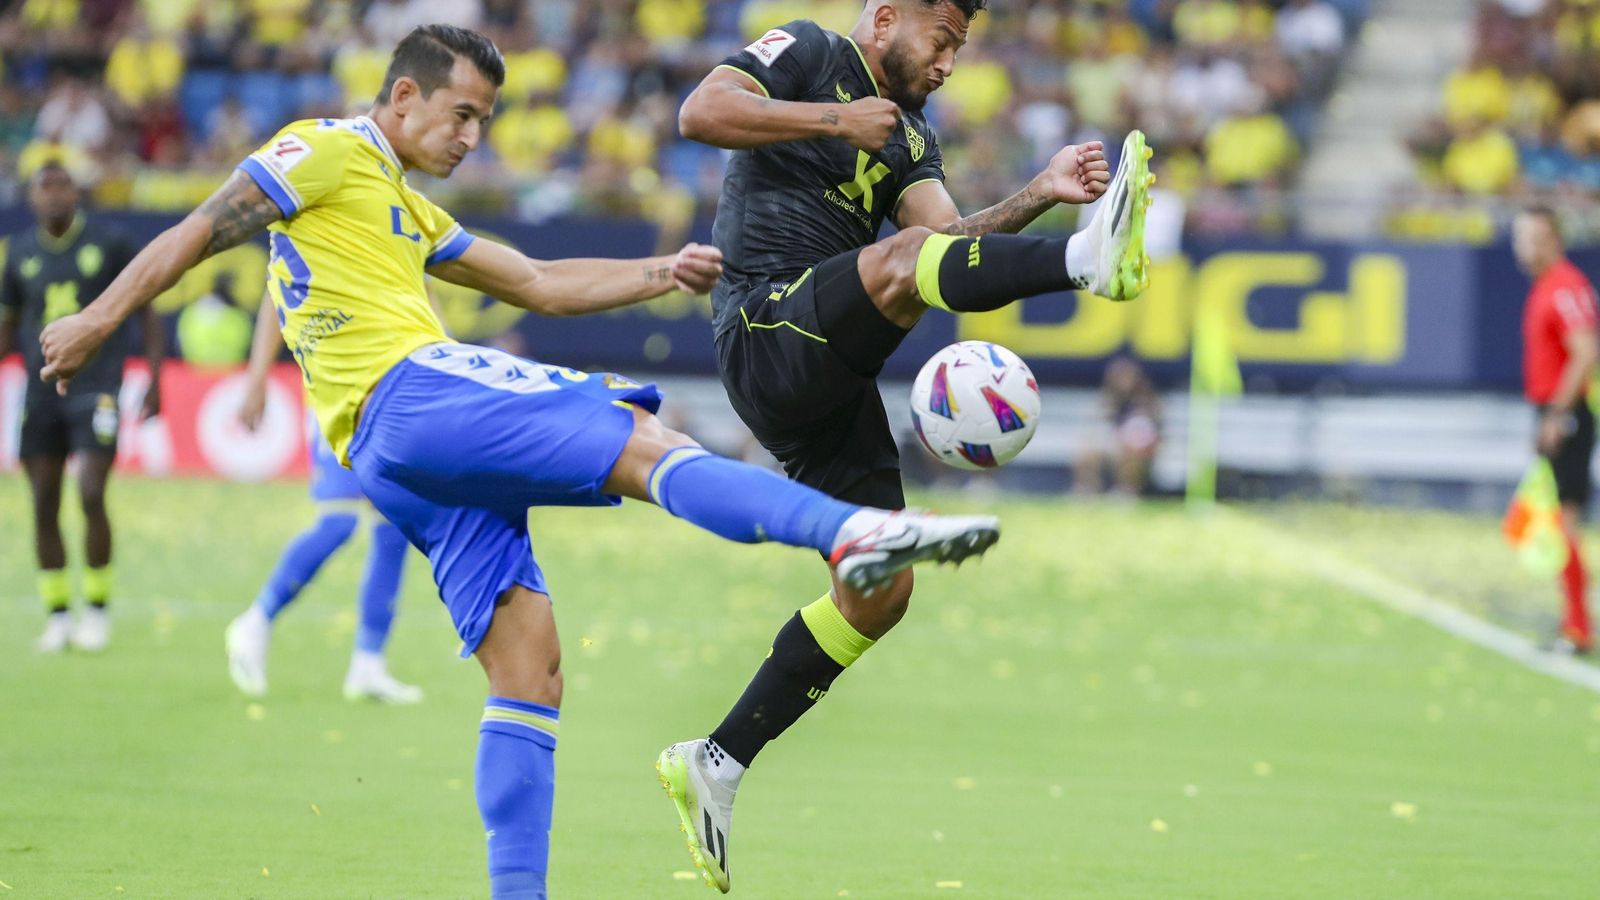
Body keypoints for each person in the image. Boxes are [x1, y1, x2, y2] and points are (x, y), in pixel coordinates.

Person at [36, 25, 1000, 899]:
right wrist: (96, 318)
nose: (471, 138)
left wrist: (660, 273)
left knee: (529, 667)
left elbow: (537, 282)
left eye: (485, 121)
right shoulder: (327, 148)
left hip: (391, 458)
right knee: (641, 441)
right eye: (460, 115)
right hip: (408, 393)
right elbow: (203, 226)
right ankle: (858, 531)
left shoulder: (403, 208)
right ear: (402, 97)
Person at [663, 1, 1152, 889]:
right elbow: (699, 113)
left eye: (961, 47)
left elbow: (949, 252)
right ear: (887, 17)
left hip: (830, 380)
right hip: (766, 327)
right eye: (942, 39)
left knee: (880, 591)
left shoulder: (909, 137)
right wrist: (832, 119)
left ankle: (717, 761)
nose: (950, 63)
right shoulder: (809, 52)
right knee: (904, 260)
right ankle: (1086, 265)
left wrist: (1040, 194)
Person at [0, 160, 162, 654]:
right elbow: (8, 325)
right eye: (43, 188)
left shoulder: (109, 244)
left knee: (91, 492)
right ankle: (57, 617)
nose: (52, 195)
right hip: (40, 391)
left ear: (76, 194)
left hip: (98, 387)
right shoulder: (20, 253)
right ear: (31, 198)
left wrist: (156, 378)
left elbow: (148, 310)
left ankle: (96, 609)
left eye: (61, 186)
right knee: (44, 502)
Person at [225, 295, 420, 703]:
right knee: (339, 521)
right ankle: (256, 620)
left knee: (393, 529)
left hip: (395, 397)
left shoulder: (406, 234)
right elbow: (272, 296)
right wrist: (257, 378)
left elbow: (424, 300)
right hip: (337, 395)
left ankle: (369, 664)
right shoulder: (321, 235)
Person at [1513, 205, 1599, 655]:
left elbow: (1585, 352)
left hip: (1565, 411)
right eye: (1520, 237)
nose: (1524, 247)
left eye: (1533, 237)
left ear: (1554, 240)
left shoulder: (1564, 286)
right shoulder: (1547, 286)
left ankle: (1578, 627)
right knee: (1556, 518)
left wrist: (1555, 415)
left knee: (1565, 519)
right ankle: (1575, 621)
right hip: (1554, 408)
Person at [1075, 356, 1162, 497]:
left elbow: (1151, 434)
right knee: (1088, 449)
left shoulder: (1146, 402)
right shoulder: (1110, 401)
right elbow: (1097, 425)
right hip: (1116, 445)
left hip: (1142, 450)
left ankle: (1126, 490)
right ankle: (1086, 490)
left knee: (1131, 450)